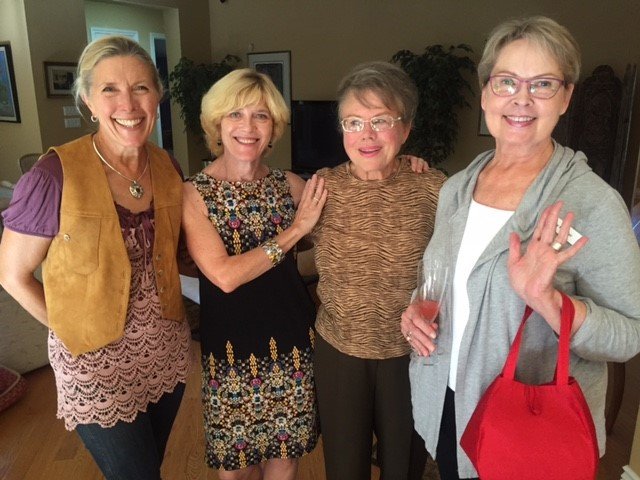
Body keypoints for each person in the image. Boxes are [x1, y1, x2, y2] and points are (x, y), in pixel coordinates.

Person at [401, 16, 640, 480]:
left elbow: (630, 334)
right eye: (507, 81)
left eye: (543, 84)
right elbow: (447, 284)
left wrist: (549, 302)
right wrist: (416, 310)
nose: (521, 98)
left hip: (528, 431)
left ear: (566, 97)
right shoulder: (456, 189)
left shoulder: (591, 203)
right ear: (486, 92)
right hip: (448, 408)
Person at [0, 36, 191, 480]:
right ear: (87, 99)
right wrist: (70, 329)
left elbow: (178, 255)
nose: (129, 104)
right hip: (94, 364)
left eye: (141, 87)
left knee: (149, 465)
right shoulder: (53, 175)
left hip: (165, 351)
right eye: (110, 89)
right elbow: (12, 274)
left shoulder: (168, 167)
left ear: (157, 95)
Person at [181, 68, 326, 480]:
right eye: (235, 114)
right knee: (237, 468)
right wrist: (295, 231)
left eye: (261, 116)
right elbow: (224, 276)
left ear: (274, 128)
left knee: (285, 457)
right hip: (230, 348)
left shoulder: (291, 185)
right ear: (217, 124)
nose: (248, 127)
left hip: (293, 343)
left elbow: (349, 211)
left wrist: (402, 163)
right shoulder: (194, 193)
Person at [311, 61, 446, 480]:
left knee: (404, 467)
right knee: (344, 469)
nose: (366, 135)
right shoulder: (320, 188)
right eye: (353, 122)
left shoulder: (435, 188)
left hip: (411, 355)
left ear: (405, 129)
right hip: (339, 351)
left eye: (381, 120)